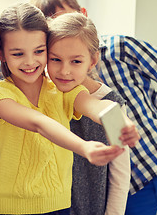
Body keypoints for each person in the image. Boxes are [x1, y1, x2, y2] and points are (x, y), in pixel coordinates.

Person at [31, 0, 157, 214]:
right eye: (55, 29)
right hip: (130, 187)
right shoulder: (58, 88)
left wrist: (147, 113)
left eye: (67, 19)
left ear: (82, 15)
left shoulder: (120, 48)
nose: (65, 32)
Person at [0, 2, 139, 215]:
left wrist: (120, 122)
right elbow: (39, 123)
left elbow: (94, 104)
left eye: (38, 51)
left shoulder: (60, 92)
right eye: (18, 54)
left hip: (60, 207)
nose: (30, 62)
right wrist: (84, 148)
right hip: (10, 209)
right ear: (2, 55)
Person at [47, 12, 130, 215]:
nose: (64, 71)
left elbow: (120, 176)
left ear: (92, 60)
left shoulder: (111, 103)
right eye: (55, 59)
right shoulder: (41, 93)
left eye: (76, 61)